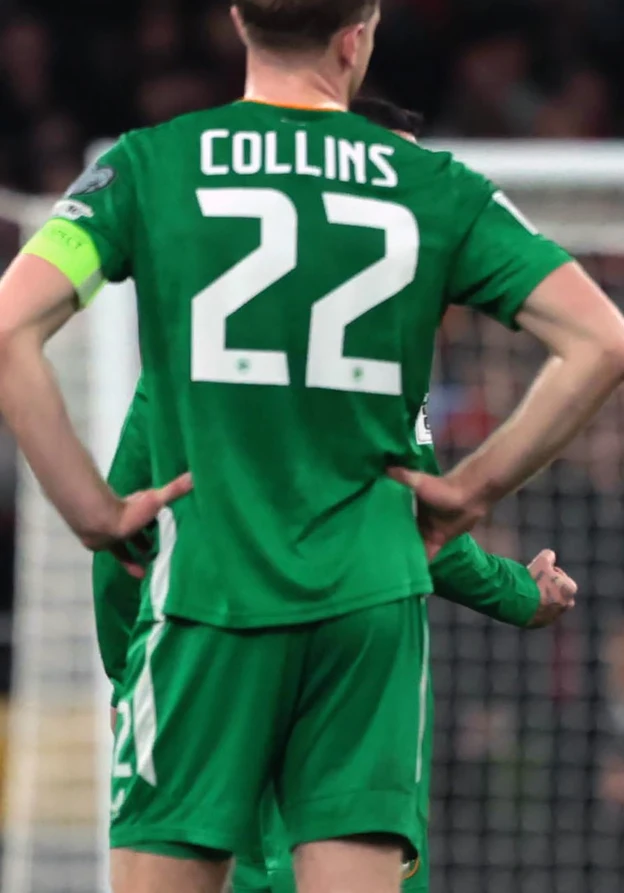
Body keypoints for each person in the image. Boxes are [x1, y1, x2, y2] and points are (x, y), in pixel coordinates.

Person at [0, 0, 624, 893]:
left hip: (209, 595)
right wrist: (470, 488)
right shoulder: (434, 184)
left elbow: (9, 326)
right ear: (359, 35)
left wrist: (89, 508)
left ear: (237, 24)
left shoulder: (148, 165)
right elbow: (604, 343)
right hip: (369, 605)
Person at [89, 96, 580, 893]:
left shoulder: (197, 342)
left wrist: (133, 681)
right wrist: (518, 588)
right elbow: (595, 350)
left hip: (211, 672)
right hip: (346, 676)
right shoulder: (372, 360)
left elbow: (121, 538)